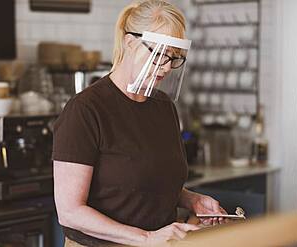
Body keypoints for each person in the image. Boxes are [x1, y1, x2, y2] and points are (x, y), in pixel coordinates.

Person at [52, 1, 227, 246]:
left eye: (174, 57)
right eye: (159, 54)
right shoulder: (86, 110)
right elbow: (70, 212)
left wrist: (191, 200)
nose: (166, 66)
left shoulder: (164, 106)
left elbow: (145, 183)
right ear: (130, 42)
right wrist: (146, 238)